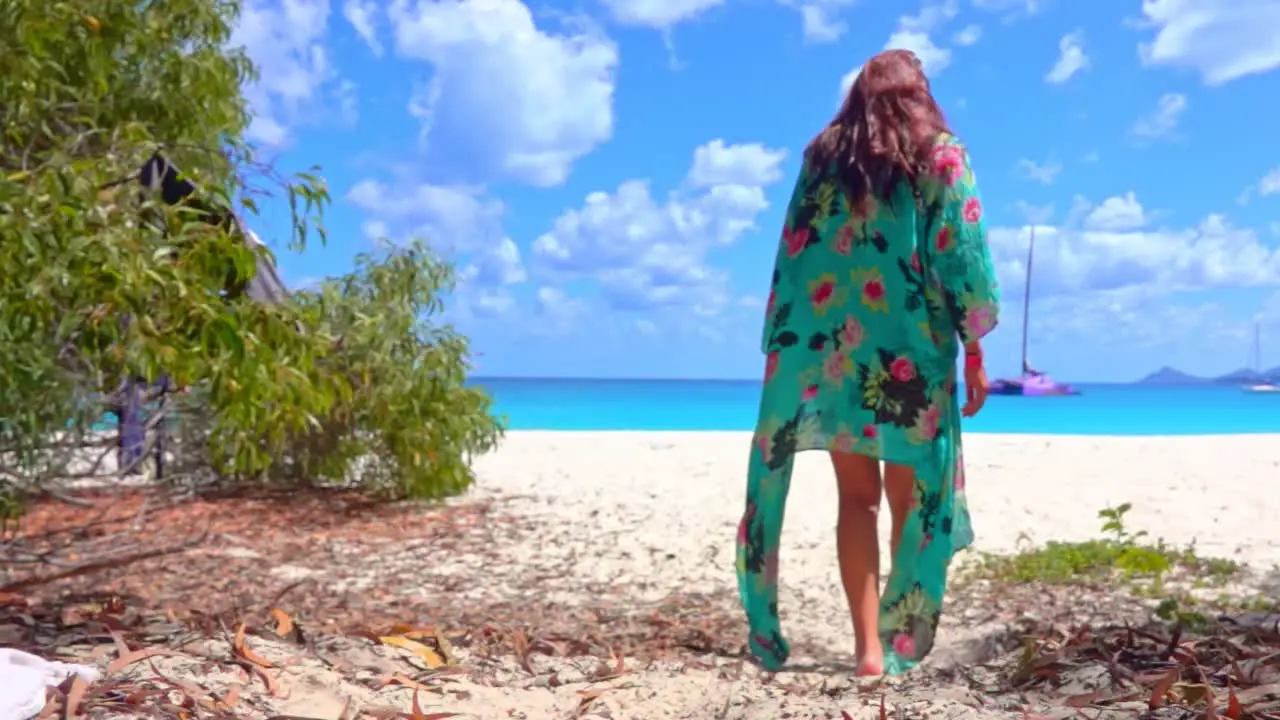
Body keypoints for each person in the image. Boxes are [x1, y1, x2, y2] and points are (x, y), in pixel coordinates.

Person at [735, 49, 1000, 677]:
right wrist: (975, 346)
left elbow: (795, 248)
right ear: (920, 93)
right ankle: (900, 637)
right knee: (907, 500)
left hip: (831, 354)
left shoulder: (825, 154)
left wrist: (784, 340)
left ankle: (868, 652)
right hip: (910, 352)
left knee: (856, 499)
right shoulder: (940, 150)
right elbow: (961, 249)